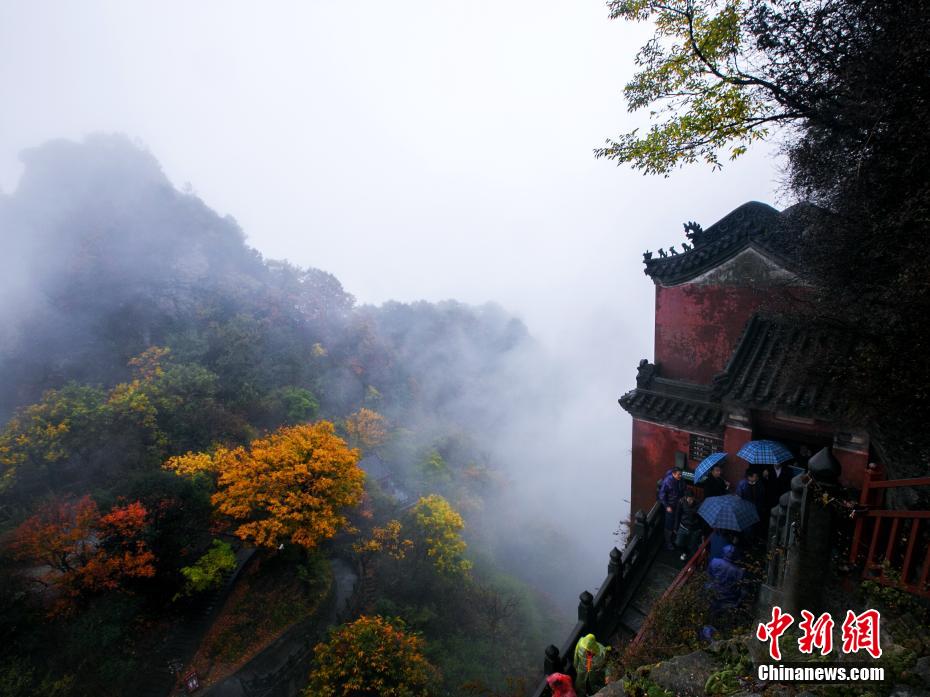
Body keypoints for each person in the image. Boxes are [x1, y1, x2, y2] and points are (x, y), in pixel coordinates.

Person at [707, 544, 745, 619]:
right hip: (728, 600)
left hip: (712, 594)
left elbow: (708, 575)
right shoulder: (739, 572)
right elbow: (741, 589)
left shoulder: (715, 562)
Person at [658, 466, 686, 550]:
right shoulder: (667, 481)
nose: (680, 476)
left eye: (681, 474)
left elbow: (684, 489)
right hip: (670, 506)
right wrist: (667, 506)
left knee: (677, 521)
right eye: (678, 474)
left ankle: (675, 538)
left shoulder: (681, 480)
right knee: (669, 525)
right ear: (673, 474)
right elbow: (661, 495)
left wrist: (683, 496)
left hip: (678, 505)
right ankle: (668, 543)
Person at [675, 489, 702, 561]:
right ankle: (685, 552)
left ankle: (692, 560)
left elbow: (695, 514)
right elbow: (678, 514)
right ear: (686, 498)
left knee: (692, 545)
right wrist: (676, 527)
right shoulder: (681, 502)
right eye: (689, 498)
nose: (690, 500)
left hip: (694, 528)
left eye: (692, 498)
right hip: (683, 526)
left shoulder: (698, 504)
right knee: (678, 543)